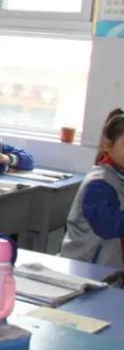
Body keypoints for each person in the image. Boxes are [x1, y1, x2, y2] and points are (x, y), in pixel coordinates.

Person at [60, 109, 124, 266]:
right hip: (86, 269)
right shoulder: (98, 184)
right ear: (107, 144)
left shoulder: (118, 174)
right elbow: (109, 226)